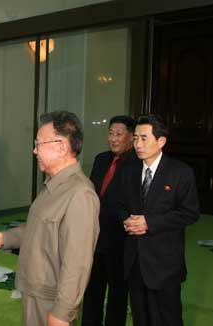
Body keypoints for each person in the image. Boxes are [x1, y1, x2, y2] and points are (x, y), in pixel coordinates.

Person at [0, 111, 100, 326]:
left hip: (51, 299)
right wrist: (1, 238)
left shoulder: (80, 195)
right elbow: (36, 231)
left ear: (61, 147)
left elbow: (77, 264)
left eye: (39, 143)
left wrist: (62, 313)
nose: (34, 151)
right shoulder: (53, 185)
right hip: (35, 292)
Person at [119, 114, 199, 326]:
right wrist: (126, 220)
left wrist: (149, 223)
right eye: (135, 138)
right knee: (140, 318)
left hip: (165, 264)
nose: (137, 144)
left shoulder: (181, 172)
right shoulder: (128, 169)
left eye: (144, 138)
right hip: (134, 260)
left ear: (161, 141)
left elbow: (190, 213)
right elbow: (118, 204)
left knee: (167, 318)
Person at [82, 115, 136, 326]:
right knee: (92, 289)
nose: (113, 139)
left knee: (117, 294)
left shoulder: (137, 164)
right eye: (111, 133)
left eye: (119, 134)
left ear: (131, 137)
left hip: (120, 240)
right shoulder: (101, 159)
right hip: (95, 236)